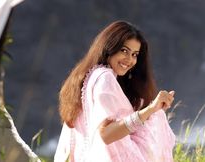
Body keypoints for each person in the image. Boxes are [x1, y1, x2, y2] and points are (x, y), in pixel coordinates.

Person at [54, 21, 176, 162]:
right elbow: (106, 134)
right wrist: (151, 109)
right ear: (110, 48)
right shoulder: (105, 78)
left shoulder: (89, 76)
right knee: (155, 117)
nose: (129, 59)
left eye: (135, 54)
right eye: (124, 51)